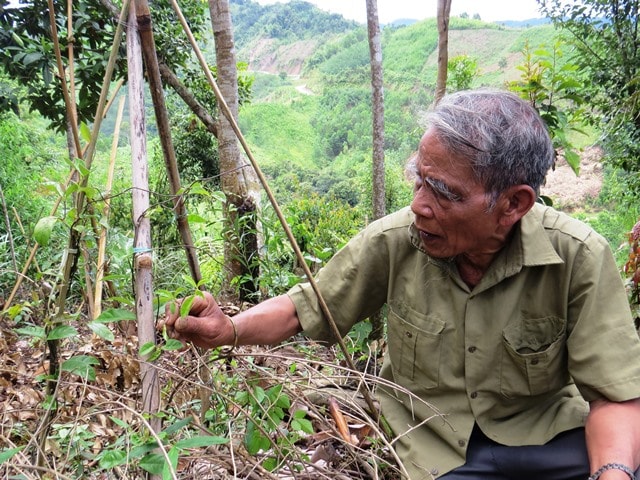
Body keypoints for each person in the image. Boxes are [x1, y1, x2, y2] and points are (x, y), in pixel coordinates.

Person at [160, 89, 640, 480]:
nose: (419, 206)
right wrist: (229, 330)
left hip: (546, 441)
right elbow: (303, 308)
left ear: (513, 204)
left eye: (445, 193)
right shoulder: (396, 241)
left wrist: (614, 473)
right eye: (419, 181)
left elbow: (615, 395)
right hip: (429, 448)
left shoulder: (578, 256)